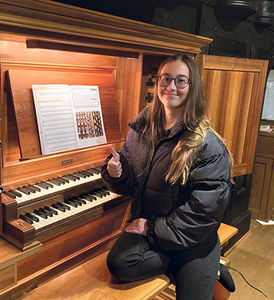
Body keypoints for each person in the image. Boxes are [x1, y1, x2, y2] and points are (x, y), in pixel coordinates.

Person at [101, 54, 235, 299]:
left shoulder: (208, 145)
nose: (171, 87)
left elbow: (203, 214)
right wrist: (117, 173)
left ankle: (205, 267)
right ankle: (186, 269)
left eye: (180, 81)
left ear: (192, 88)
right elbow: (133, 186)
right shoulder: (140, 131)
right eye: (165, 79)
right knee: (119, 264)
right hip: (154, 233)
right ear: (157, 83)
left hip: (194, 237)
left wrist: (151, 227)